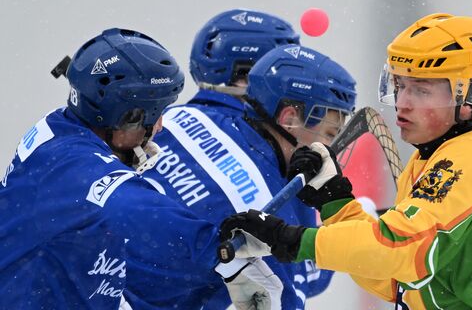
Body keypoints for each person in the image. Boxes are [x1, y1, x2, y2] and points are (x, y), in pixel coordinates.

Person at [219, 13, 472, 309]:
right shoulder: (428, 160)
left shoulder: (468, 158)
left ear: (469, 96)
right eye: (399, 86)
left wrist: (290, 240)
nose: (402, 103)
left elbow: (400, 250)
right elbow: (392, 276)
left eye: (421, 90)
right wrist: (335, 202)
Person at [0, 28, 277, 309]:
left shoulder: (62, 127)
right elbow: (132, 207)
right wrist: (222, 252)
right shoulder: (69, 163)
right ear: (126, 117)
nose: (159, 127)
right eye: (154, 114)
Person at [130, 41, 355, 309]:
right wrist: (349, 231)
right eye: (329, 133)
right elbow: (289, 296)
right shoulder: (268, 211)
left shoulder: (183, 114)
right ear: (290, 117)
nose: (329, 150)